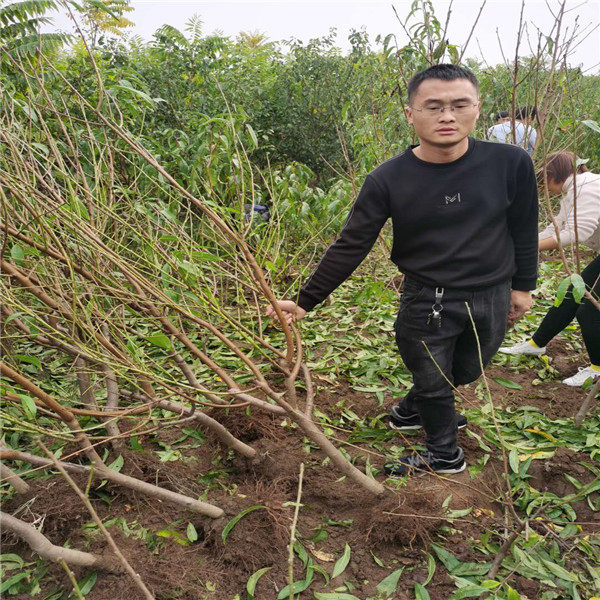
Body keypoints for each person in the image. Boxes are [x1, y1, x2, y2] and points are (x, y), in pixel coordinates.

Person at [266, 64, 538, 476]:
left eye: (459, 104)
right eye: (433, 106)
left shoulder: (510, 163)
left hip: (492, 292)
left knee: (465, 371)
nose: (447, 115)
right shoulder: (387, 179)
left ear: (477, 109)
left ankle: (413, 410)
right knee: (434, 377)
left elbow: (523, 225)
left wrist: (523, 286)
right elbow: (352, 243)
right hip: (427, 298)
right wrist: (306, 300)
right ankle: (444, 453)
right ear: (411, 115)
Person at [500, 152, 600, 386]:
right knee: (572, 294)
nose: (545, 188)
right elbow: (557, 226)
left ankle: (597, 368)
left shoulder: (587, 189)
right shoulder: (576, 189)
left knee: (588, 308)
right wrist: (521, 242)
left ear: (553, 176)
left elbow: (576, 233)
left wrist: (527, 248)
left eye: (544, 180)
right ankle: (536, 345)